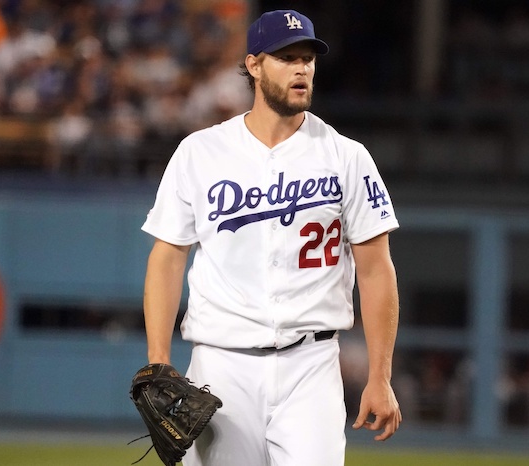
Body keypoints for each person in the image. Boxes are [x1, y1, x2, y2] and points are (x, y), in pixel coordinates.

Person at [140, 9, 402, 466]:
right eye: (286, 57)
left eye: (308, 58)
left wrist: (380, 376)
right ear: (254, 65)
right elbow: (167, 257)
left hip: (312, 365)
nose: (301, 68)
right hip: (221, 365)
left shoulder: (347, 157)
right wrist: (159, 360)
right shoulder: (200, 153)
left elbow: (376, 268)